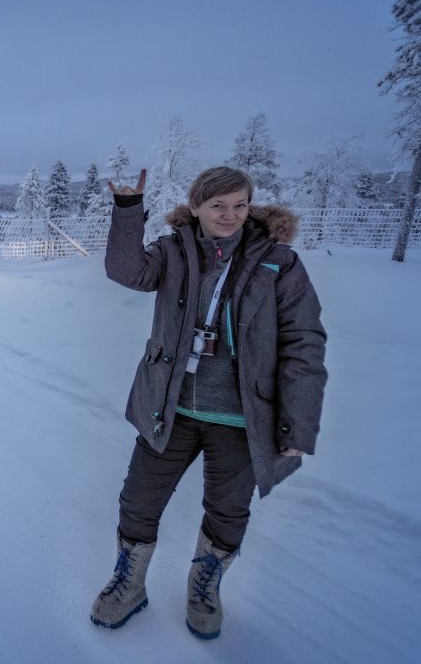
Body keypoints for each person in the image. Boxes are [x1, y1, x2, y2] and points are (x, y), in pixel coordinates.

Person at [89, 167, 327, 639]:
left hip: (241, 418)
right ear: (195, 207)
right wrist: (128, 210)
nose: (230, 215)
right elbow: (126, 271)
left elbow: (304, 343)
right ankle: (129, 583)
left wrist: (297, 424)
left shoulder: (279, 262)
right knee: (139, 501)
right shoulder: (173, 251)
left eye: (240, 204)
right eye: (218, 205)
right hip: (169, 408)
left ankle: (205, 585)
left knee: (227, 510)